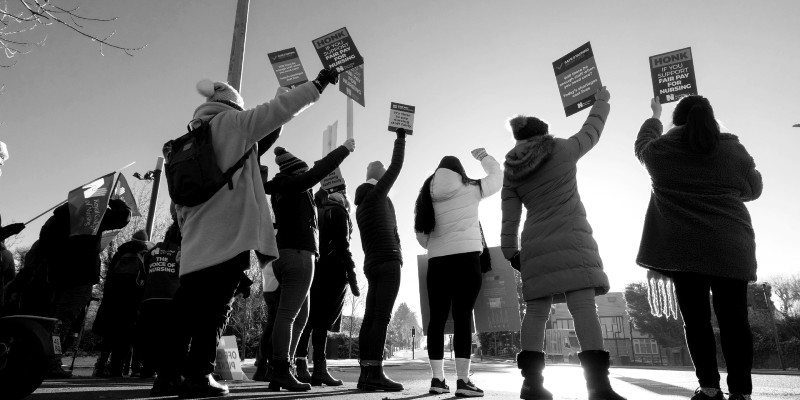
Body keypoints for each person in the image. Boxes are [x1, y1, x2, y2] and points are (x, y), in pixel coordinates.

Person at [171, 69, 337, 398]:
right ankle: (200, 376)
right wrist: (316, 85)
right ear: (234, 105)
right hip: (227, 237)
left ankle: (168, 375)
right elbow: (274, 113)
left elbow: (181, 202)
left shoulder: (192, 138)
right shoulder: (231, 123)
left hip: (193, 241)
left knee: (187, 309)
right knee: (216, 309)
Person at [501, 87, 625, 400]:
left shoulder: (512, 170)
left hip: (535, 245)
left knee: (536, 313)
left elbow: (509, 218)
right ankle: (598, 387)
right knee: (584, 308)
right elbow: (591, 131)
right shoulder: (563, 149)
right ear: (543, 133)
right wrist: (601, 102)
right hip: (573, 239)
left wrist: (510, 252)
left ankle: (531, 385)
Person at [634, 96, 762, 400]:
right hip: (731, 246)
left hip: (683, 252)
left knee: (696, 321)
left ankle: (708, 389)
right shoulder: (734, 150)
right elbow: (754, 189)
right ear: (711, 119)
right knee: (735, 321)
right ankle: (741, 393)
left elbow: (642, 143)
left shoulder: (660, 152)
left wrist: (654, 115)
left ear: (675, 120)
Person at [262, 142, 354, 391]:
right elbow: (317, 172)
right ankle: (281, 368)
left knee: (301, 317)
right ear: (297, 171)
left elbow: (311, 198)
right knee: (289, 315)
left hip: (287, 254)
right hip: (298, 255)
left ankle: (285, 368)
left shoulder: (283, 189)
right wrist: (343, 150)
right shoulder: (294, 184)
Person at [414, 152, 501, 397]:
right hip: (467, 260)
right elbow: (497, 178)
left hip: (437, 263)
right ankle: (463, 381)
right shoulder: (471, 187)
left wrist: (437, 245)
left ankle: (437, 380)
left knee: (437, 320)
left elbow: (421, 234)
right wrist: (484, 157)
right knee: (463, 317)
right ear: (460, 171)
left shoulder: (426, 194)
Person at [41, 198, 132, 379]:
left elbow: (44, 244)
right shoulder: (90, 216)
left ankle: (45, 357)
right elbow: (124, 217)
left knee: (55, 318)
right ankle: (52, 362)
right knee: (63, 320)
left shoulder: (55, 220)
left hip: (58, 275)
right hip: (80, 275)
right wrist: (116, 203)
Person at [354, 128, 407, 392]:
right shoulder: (376, 196)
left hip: (373, 264)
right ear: (378, 177)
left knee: (370, 318)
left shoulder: (362, 204)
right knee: (381, 318)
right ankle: (375, 373)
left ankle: (367, 373)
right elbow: (397, 166)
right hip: (387, 262)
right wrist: (401, 137)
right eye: (382, 171)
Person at [293, 188, 359, 387]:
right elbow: (343, 246)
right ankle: (320, 370)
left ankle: (301, 366)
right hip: (333, 273)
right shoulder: (339, 212)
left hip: (314, 268)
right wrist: (352, 275)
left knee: (309, 321)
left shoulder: (318, 209)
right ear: (345, 201)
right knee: (322, 323)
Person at [92, 229, 152, 378]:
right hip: (133, 300)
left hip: (113, 299)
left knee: (110, 333)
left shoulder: (120, 252)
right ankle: (117, 369)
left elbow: (109, 276)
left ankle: (101, 366)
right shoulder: (144, 254)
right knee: (126, 335)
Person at [138, 219, 182, 396]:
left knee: (152, 338)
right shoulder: (181, 250)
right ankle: (170, 376)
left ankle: (151, 370)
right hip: (171, 298)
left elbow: (143, 273)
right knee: (172, 340)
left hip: (149, 298)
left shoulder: (152, 250)